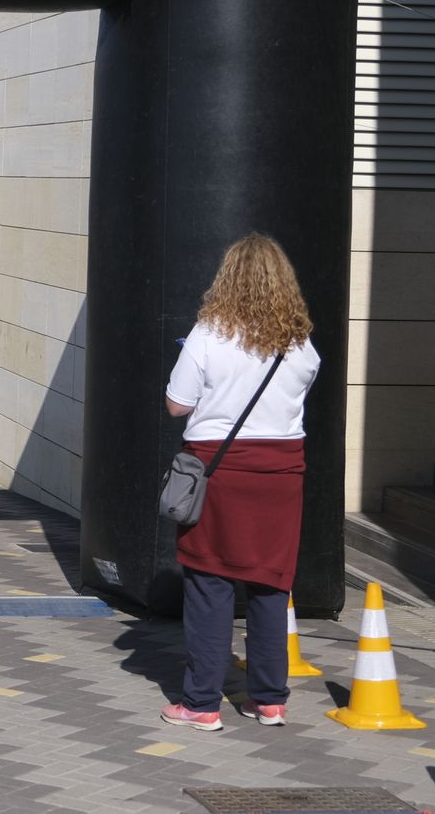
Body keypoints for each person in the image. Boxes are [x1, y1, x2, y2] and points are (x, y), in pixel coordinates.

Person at [158, 233, 321, 732]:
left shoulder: (208, 336)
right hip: (281, 475)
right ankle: (269, 700)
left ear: (227, 280)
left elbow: (176, 405)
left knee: (210, 583)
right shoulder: (300, 344)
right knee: (272, 584)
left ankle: (201, 703)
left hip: (219, 471)